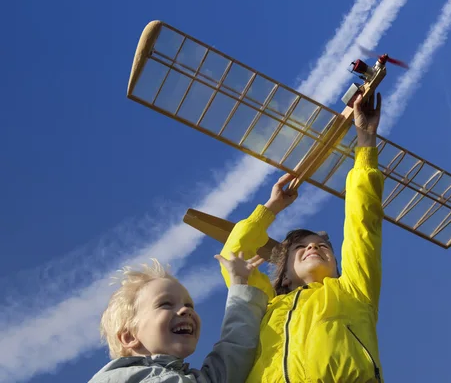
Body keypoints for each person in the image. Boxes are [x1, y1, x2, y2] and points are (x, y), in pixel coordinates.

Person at [219, 92, 385, 382]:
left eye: (323, 246)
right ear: (282, 274)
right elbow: (234, 255)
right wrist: (270, 208)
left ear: (337, 264)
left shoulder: (354, 289)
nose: (313, 246)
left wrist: (366, 142)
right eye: (300, 246)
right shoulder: (263, 306)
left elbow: (363, 223)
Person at [89, 252, 268, 383]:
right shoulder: (117, 378)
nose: (185, 310)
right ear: (129, 336)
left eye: (189, 305)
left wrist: (239, 283)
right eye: (165, 304)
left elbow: (233, 351)